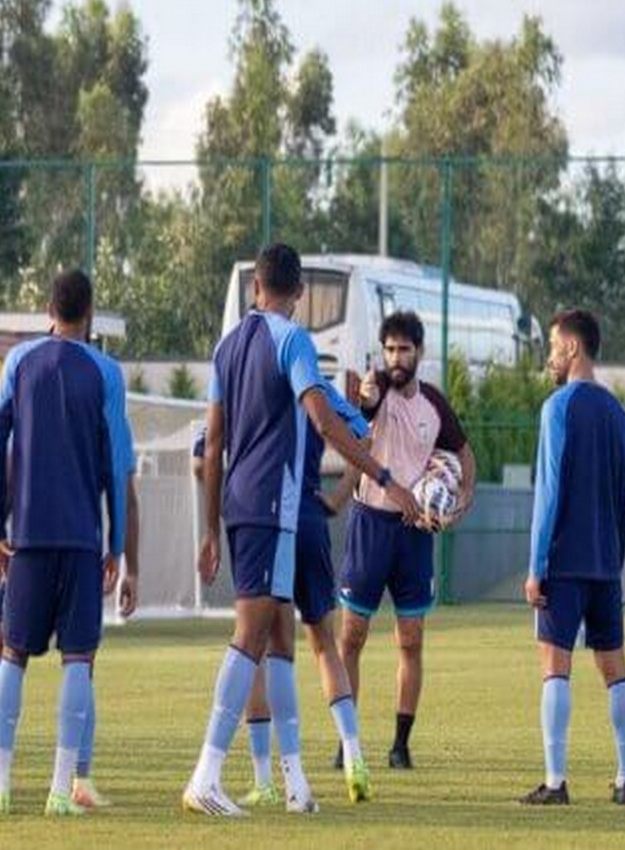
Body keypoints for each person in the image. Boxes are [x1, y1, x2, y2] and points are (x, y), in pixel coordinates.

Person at [182, 244, 419, 818]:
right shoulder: (293, 341)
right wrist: (385, 476)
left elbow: (212, 444)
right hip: (272, 503)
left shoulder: (226, 346)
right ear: (300, 294)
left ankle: (295, 785)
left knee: (283, 645)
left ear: (255, 287)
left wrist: (210, 528)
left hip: (245, 505)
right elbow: (322, 418)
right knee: (252, 635)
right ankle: (206, 775)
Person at [0, 269, 131, 818]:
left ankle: (1, 785)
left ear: (48, 309)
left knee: (12, 655)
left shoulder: (19, 363)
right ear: (89, 313)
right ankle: (62, 789)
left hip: (28, 539)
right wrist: (118, 545)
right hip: (83, 539)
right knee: (78, 660)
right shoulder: (103, 372)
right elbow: (116, 464)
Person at [334, 311, 476, 770]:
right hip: (369, 525)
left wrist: (463, 500)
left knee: (410, 641)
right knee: (351, 637)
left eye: (405, 349)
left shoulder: (434, 404)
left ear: (420, 352)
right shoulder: (375, 391)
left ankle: (400, 744)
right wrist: (365, 399)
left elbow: (464, 454)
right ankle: (347, 741)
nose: (396, 358)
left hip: (413, 536)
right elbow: (365, 408)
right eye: (390, 349)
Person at [231, 374, 378, 807]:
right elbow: (365, 437)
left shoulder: (250, 385)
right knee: (324, 646)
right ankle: (354, 756)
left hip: (268, 515)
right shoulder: (320, 388)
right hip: (311, 515)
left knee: (259, 648)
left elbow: (207, 445)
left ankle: (266, 779)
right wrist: (338, 496)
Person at [520, 309, 625, 805]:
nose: (550, 355)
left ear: (572, 348)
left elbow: (548, 494)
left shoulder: (557, 408)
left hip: (564, 566)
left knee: (554, 667)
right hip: (605, 567)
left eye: (552, 344)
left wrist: (535, 567)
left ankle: (555, 782)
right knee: (616, 670)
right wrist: (614, 557)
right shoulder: (618, 413)